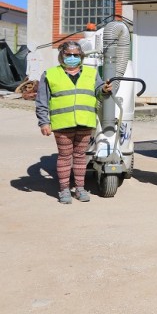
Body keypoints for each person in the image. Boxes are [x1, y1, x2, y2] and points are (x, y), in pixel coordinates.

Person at [35, 41, 112, 204]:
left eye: (76, 55)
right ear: (61, 55)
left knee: (79, 156)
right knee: (64, 156)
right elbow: (42, 101)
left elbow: (99, 92)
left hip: (85, 121)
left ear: (81, 56)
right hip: (63, 123)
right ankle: (64, 189)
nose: (72, 57)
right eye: (68, 54)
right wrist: (44, 122)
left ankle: (80, 188)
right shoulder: (49, 74)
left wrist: (104, 90)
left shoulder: (92, 73)